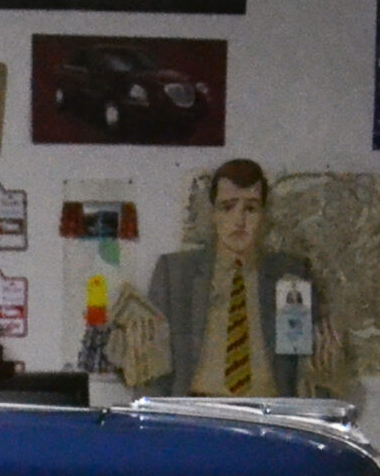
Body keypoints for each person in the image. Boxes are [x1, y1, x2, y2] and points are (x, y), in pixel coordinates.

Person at [134, 159, 346, 397]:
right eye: (228, 207)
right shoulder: (176, 274)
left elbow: (303, 364)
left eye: (251, 208)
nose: (239, 221)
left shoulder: (290, 274)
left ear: (263, 214)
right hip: (197, 413)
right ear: (213, 213)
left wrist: (325, 373)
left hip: (267, 414)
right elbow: (153, 370)